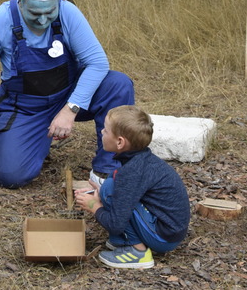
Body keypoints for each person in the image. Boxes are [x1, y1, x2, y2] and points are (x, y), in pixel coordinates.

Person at [0, 0, 135, 189]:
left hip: (67, 95)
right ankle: (36, 137)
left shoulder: (68, 12)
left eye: (49, 12)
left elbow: (98, 63)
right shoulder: (1, 20)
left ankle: (108, 168)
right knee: (10, 176)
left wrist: (70, 109)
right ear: (20, 1)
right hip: (26, 108)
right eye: (34, 13)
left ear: (59, 0)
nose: (42, 20)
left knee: (118, 84)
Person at [75, 105, 190, 269]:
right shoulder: (140, 160)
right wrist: (99, 192)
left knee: (110, 192)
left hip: (163, 236)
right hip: (167, 228)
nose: (102, 132)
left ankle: (138, 252)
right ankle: (124, 240)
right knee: (108, 188)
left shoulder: (132, 172)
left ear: (120, 142)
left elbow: (116, 223)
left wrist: (94, 206)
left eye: (106, 130)